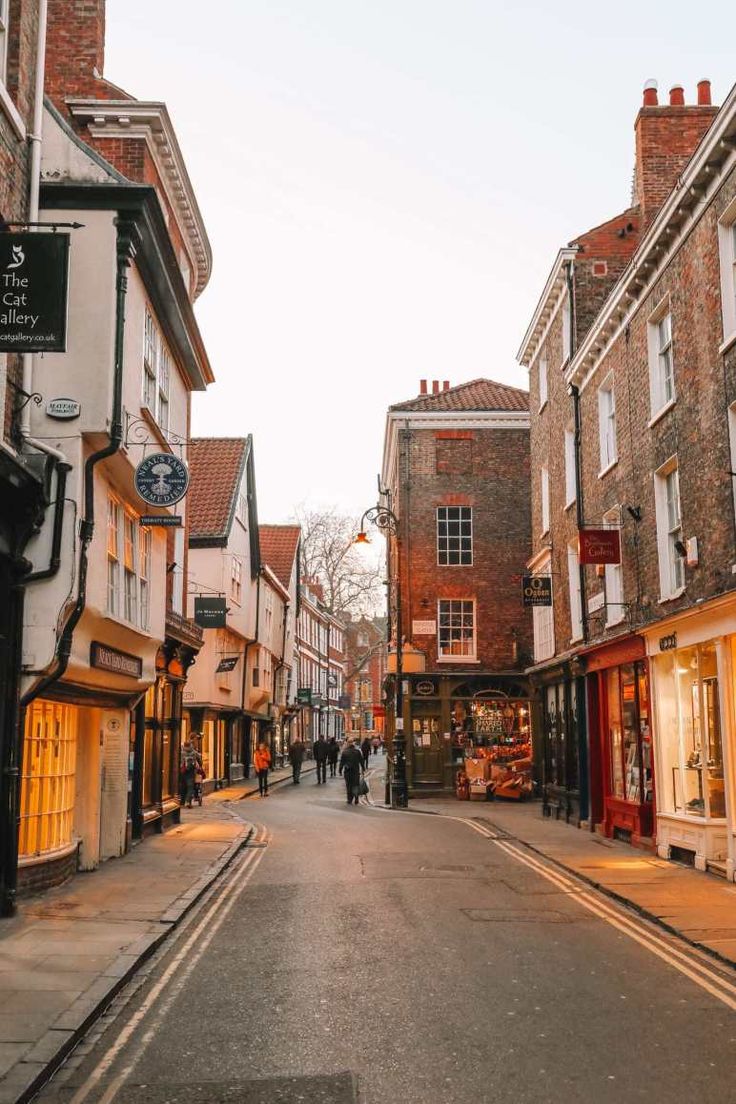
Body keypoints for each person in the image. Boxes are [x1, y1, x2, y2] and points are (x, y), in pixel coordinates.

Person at [180, 734, 203, 809]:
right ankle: (187, 801)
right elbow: (200, 761)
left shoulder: (181, 752)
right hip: (191, 772)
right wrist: (199, 766)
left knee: (183, 786)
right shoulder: (194, 752)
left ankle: (182, 802)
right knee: (190, 787)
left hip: (182, 771)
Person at [340, 736, 364, 806]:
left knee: (348, 785)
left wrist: (340, 770)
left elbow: (342, 762)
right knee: (355, 785)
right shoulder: (357, 752)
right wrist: (363, 768)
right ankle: (356, 798)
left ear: (347, 743)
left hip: (348, 771)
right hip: (356, 771)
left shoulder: (345, 752)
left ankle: (349, 799)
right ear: (353, 743)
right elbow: (361, 761)